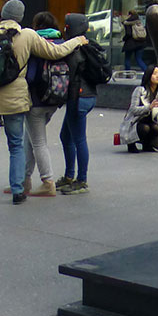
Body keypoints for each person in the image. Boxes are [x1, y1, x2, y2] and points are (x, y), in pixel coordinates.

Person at [0, 0, 87, 205]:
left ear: (2, 14)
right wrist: (77, 41)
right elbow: (55, 52)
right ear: (20, 17)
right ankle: (17, 190)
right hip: (15, 100)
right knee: (15, 145)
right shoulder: (28, 36)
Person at [20, 11, 65, 198]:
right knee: (29, 139)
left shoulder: (36, 43)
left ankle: (48, 182)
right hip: (54, 98)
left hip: (36, 100)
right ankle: (23, 180)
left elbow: (30, 76)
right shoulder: (60, 42)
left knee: (38, 142)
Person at [58, 13, 99, 195]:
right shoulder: (89, 45)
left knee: (79, 139)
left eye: (67, 26)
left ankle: (81, 180)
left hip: (79, 97)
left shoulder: (76, 49)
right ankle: (69, 176)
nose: (65, 29)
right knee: (66, 136)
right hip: (88, 96)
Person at [120, 63, 158, 152]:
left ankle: (148, 145)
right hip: (136, 121)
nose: (157, 76)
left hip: (150, 120)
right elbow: (133, 110)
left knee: (156, 127)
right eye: (154, 74)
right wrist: (149, 107)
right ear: (148, 76)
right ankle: (131, 143)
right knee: (144, 128)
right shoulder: (140, 90)